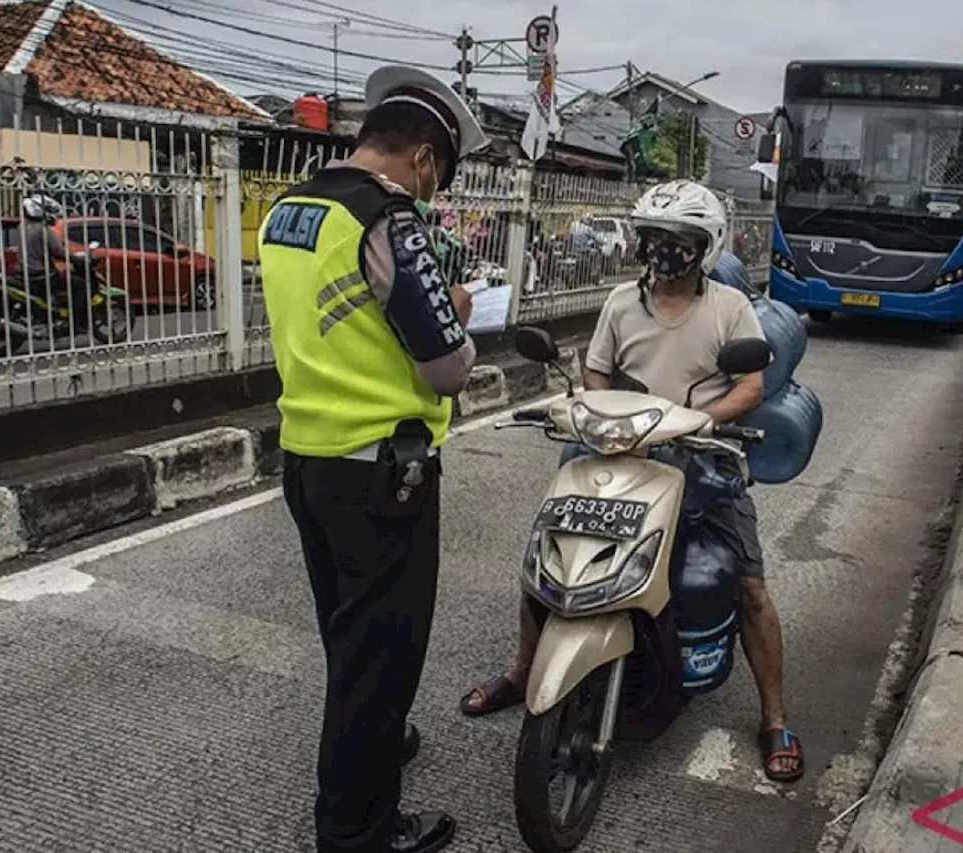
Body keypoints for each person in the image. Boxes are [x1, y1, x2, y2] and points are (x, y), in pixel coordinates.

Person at [459, 179, 806, 784]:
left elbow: (750, 385)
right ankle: (521, 671)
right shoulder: (622, 303)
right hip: (622, 453)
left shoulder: (729, 308)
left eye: (677, 241)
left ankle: (774, 716)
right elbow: (596, 371)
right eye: (653, 239)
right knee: (545, 562)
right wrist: (610, 418)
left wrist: (700, 420)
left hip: (703, 458)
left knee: (749, 584)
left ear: (704, 246)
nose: (663, 251)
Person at [258, 64, 488, 853]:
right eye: (440, 172)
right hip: (383, 471)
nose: (434, 187)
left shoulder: (291, 209)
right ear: (424, 157)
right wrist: (458, 312)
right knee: (383, 652)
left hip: (308, 456)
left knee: (348, 633)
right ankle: (358, 831)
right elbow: (446, 365)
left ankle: (377, 743)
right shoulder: (387, 219)